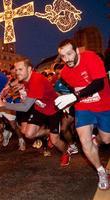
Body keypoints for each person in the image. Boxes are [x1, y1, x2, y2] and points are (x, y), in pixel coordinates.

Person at [0, 57, 70, 167]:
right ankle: (49, 133)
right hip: (39, 108)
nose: (17, 72)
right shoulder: (25, 78)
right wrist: (6, 88)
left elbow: (25, 107)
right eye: (16, 69)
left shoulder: (36, 80)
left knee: (55, 140)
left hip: (53, 110)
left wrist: (3, 104)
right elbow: (15, 82)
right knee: (28, 134)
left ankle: (66, 152)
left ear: (29, 69)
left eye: (20, 69)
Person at [55, 39, 110, 190]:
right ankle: (101, 172)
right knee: (85, 142)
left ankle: (97, 140)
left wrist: (74, 97)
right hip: (83, 107)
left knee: (106, 139)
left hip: (104, 105)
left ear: (77, 51)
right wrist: (69, 102)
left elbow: (99, 84)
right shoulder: (65, 73)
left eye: (69, 54)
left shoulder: (91, 57)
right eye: (63, 56)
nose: (67, 59)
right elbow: (76, 89)